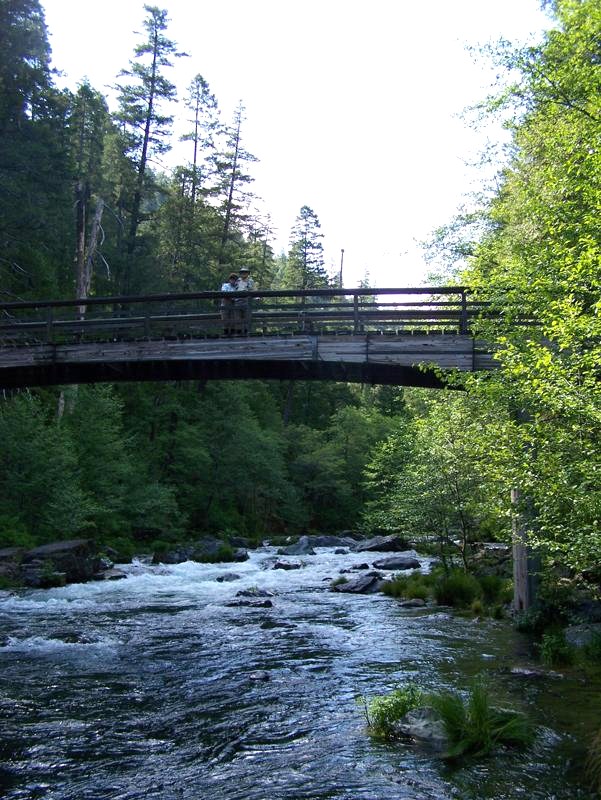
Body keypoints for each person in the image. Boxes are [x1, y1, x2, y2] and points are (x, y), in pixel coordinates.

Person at [234, 266, 256, 335]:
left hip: (247, 300)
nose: (244, 273)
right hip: (238, 300)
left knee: (247, 316)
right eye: (242, 272)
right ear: (240, 273)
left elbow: (252, 290)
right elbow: (234, 289)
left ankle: (247, 332)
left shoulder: (250, 281)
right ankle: (239, 332)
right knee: (237, 317)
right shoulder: (237, 281)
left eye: (245, 272)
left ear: (248, 273)